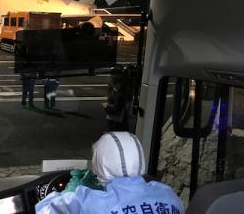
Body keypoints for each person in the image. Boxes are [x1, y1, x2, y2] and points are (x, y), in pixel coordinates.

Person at [36, 132, 184, 214]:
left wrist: (70, 192)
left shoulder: (89, 202)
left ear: (100, 163)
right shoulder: (169, 195)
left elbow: (43, 210)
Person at [104, 66, 134, 131]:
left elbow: (117, 110)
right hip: (117, 120)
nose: (110, 79)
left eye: (111, 78)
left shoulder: (121, 93)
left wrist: (106, 108)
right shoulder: (116, 88)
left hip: (118, 121)